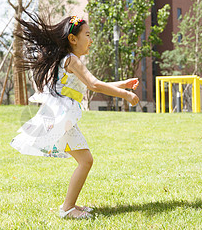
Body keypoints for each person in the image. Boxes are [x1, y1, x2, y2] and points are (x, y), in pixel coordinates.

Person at [10, 14, 139, 219]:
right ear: (73, 39)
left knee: (86, 161)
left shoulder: (68, 60)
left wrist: (123, 84)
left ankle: (70, 206)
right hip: (62, 119)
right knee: (86, 161)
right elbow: (94, 84)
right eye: (87, 35)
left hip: (63, 118)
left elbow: (94, 83)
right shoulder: (72, 60)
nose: (91, 40)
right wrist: (125, 94)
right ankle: (67, 208)